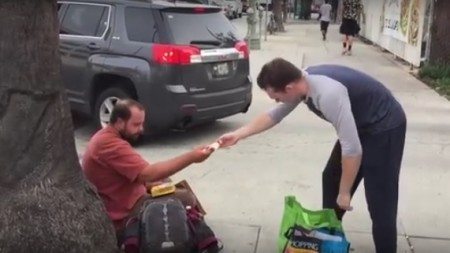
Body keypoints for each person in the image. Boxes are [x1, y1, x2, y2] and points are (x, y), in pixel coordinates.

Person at [218, 58, 406, 253]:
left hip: (385, 125)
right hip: (360, 123)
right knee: (331, 178)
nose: (277, 101)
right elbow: (274, 115)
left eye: (276, 97)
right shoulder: (301, 83)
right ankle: (331, 240)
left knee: (380, 200)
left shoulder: (328, 94)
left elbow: (352, 150)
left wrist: (345, 192)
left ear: (289, 88)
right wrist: (238, 135)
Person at [82, 99, 214, 239]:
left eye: (141, 123)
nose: (141, 129)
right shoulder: (110, 144)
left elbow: (135, 175)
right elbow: (148, 174)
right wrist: (192, 157)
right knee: (187, 198)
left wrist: (148, 185)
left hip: (124, 197)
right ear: (120, 122)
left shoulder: (106, 137)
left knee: (166, 182)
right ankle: (196, 234)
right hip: (121, 213)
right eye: (136, 124)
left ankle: (194, 227)